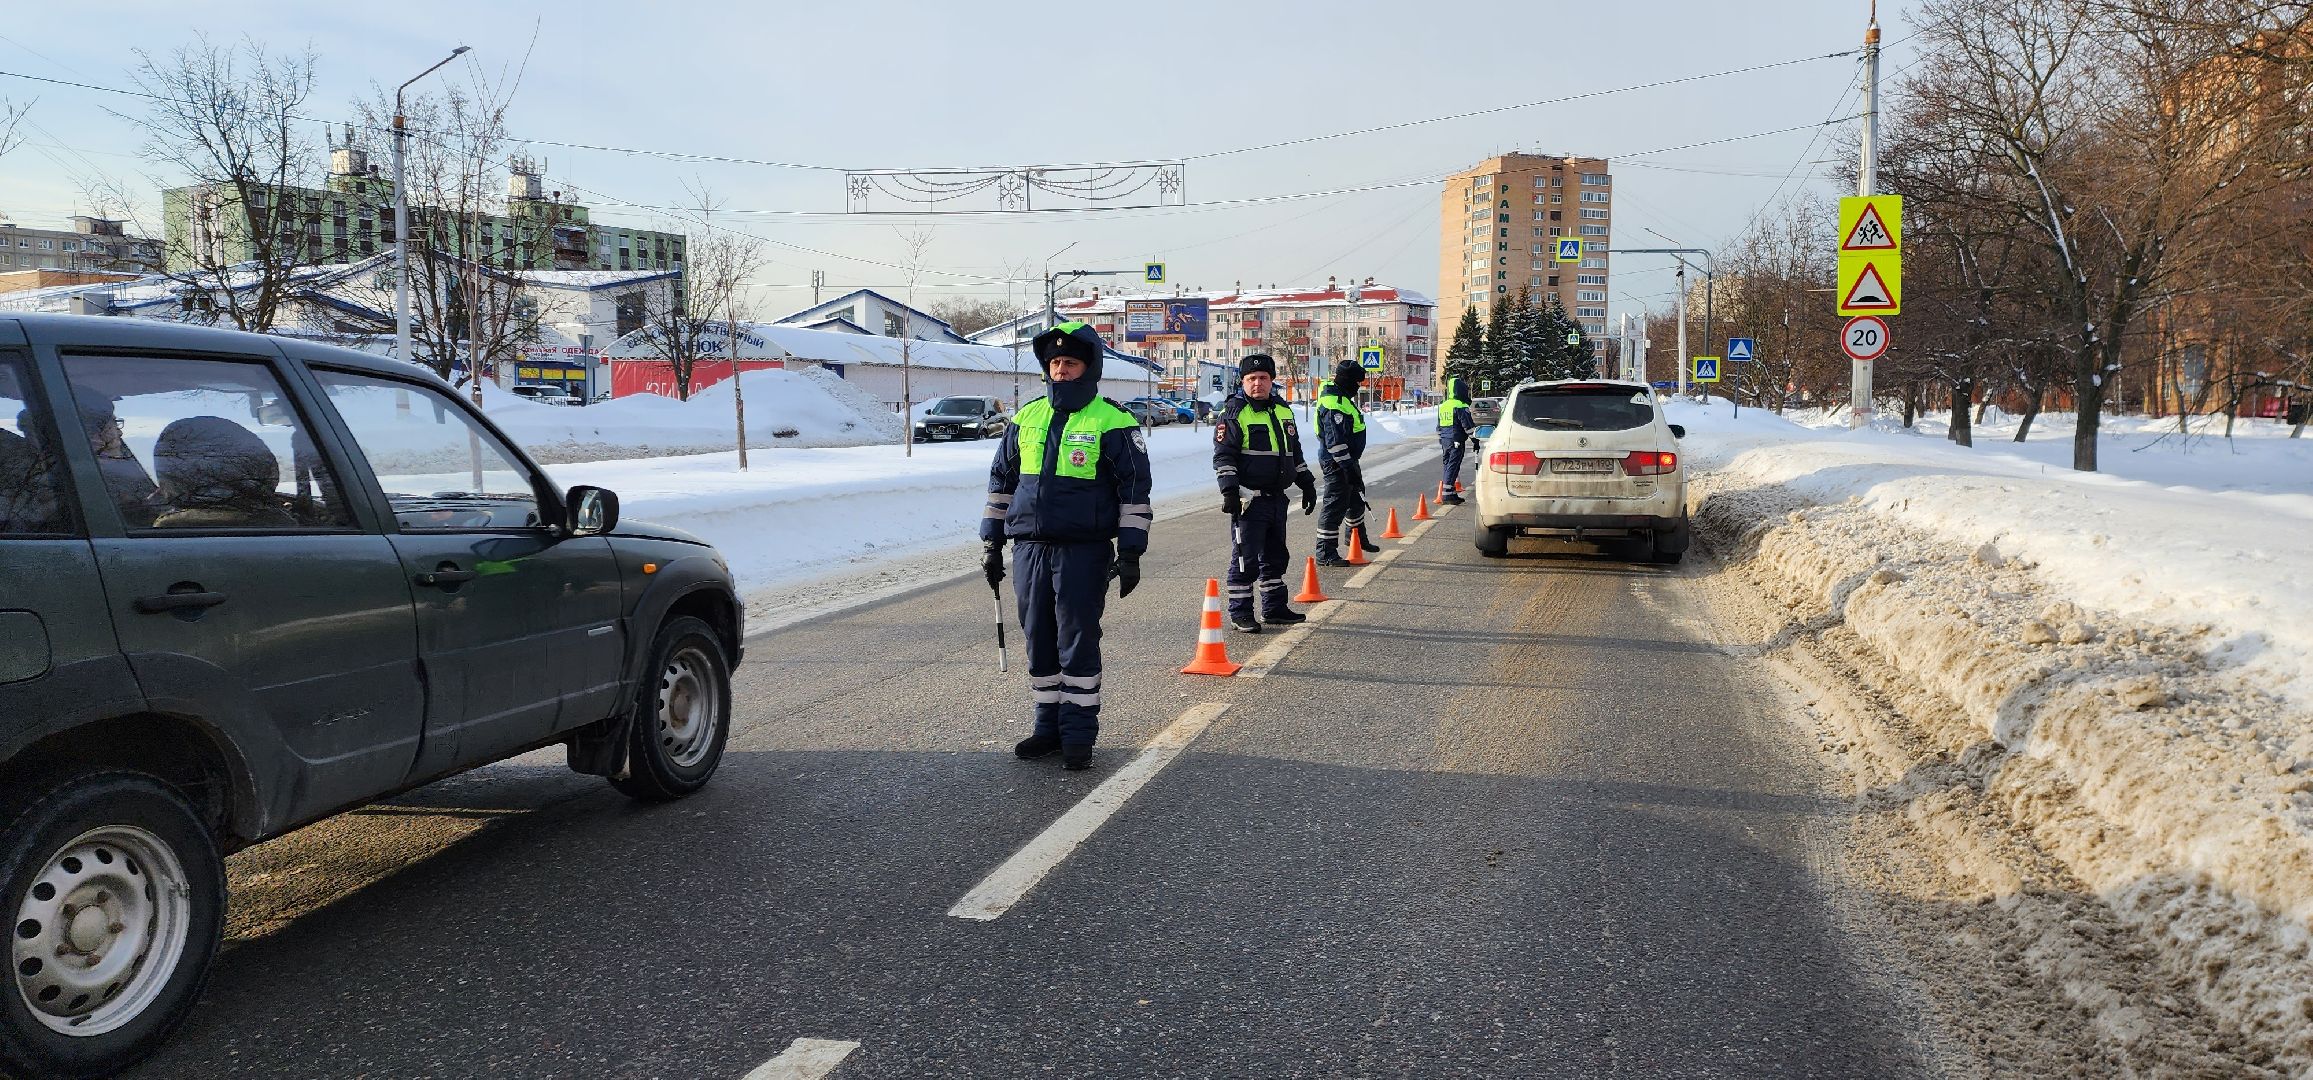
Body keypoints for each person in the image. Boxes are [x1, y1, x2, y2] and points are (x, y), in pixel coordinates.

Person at [981, 321, 1152, 772]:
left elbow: (1134, 490)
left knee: (1076, 639)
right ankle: (1048, 729)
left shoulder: (1113, 419)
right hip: (1030, 549)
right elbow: (1002, 483)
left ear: (1088, 367)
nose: (1061, 370)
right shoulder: (1026, 417)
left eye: (1070, 363)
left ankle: (1078, 735)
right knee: (1038, 637)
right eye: (1054, 363)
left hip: (1083, 549)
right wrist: (991, 542)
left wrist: (1131, 551)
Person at [1212, 353, 1315, 633]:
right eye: (1251, 378)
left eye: (1263, 378)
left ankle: (1274, 607)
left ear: (1271, 380)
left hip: (1276, 499)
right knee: (1245, 557)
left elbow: (1294, 453)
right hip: (1249, 500)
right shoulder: (1234, 412)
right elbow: (1224, 456)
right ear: (1242, 382)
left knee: (1275, 555)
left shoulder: (1283, 410)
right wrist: (1230, 490)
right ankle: (1241, 612)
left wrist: (1307, 482)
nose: (1258, 383)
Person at [1313, 359, 1378, 566]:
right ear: (1347, 381)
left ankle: (1356, 539)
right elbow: (1335, 442)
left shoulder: (1340, 398)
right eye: (1357, 383)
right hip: (1337, 462)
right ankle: (1325, 553)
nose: (1358, 388)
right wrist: (1348, 467)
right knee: (1335, 504)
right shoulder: (1334, 404)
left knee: (1357, 499)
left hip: (1348, 460)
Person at [1437, 376, 1476, 505]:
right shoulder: (1460, 405)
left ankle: (1451, 493)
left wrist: (1442, 439)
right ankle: (1447, 495)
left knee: (1448, 465)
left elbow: (1439, 426)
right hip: (1456, 440)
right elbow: (1467, 426)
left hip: (1445, 440)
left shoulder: (1443, 406)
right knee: (1453, 466)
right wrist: (1474, 440)